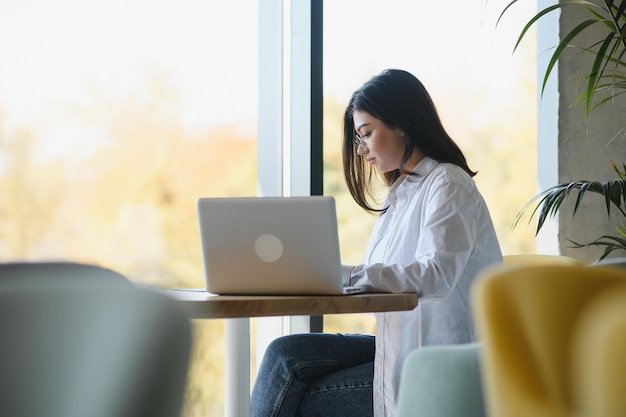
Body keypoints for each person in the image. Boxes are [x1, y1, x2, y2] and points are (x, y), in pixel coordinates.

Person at [250, 69, 502, 417]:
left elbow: (435, 275)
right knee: (284, 355)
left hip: (442, 359)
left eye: (366, 133)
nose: (362, 150)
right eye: (358, 139)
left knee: (295, 397)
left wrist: (345, 276)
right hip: (401, 345)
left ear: (401, 124)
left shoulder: (448, 184)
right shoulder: (401, 195)